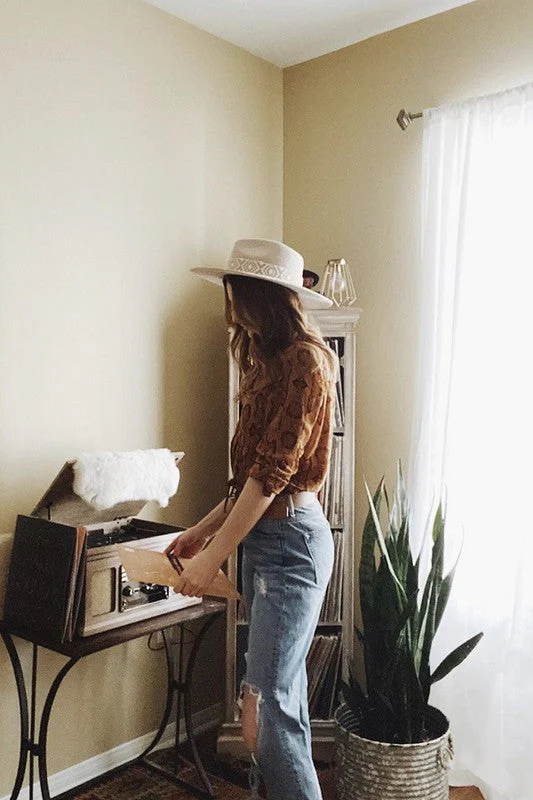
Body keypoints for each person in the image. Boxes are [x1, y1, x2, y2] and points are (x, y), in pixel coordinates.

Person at [166, 239, 336, 800]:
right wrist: (200, 533)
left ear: (259, 294)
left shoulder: (307, 361)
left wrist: (212, 559)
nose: (229, 300)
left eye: (235, 289)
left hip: (291, 545)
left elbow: (271, 478)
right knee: (279, 705)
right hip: (267, 539)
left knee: (262, 711)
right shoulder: (265, 361)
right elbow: (250, 479)